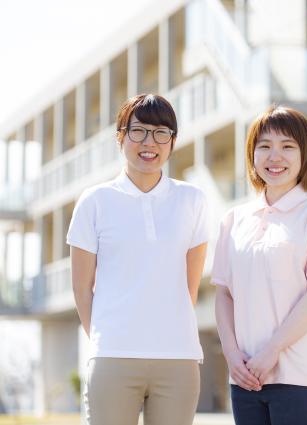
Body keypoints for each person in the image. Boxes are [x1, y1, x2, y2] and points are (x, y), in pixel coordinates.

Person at [67, 94, 209, 425]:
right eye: (139, 131)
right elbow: (81, 290)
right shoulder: (94, 202)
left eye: (162, 133)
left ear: (173, 141)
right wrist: (112, 338)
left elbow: (189, 288)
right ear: (121, 136)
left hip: (178, 358)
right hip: (113, 358)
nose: (150, 142)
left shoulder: (192, 201)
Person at [212, 105, 307, 425]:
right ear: (252, 154)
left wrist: (271, 352)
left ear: (305, 155)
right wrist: (231, 356)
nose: (275, 156)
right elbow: (224, 294)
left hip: (300, 379)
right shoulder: (234, 219)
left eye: (287, 147)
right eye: (265, 146)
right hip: (245, 379)